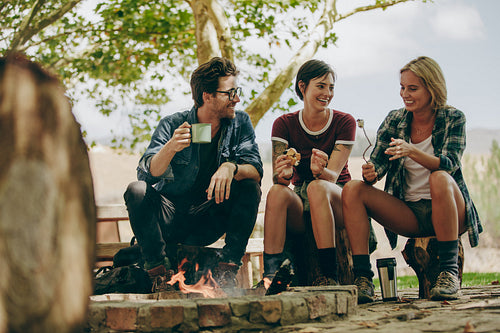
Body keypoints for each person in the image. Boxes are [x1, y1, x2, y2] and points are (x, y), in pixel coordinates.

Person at [342, 56, 482, 303]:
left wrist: (412, 151)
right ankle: (363, 278)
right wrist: (372, 172)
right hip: (410, 214)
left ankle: (448, 273)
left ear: (432, 88)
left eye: (413, 88)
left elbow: (449, 163)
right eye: (402, 87)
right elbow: (380, 161)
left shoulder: (453, 118)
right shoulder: (395, 120)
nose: (405, 94)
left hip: (451, 212)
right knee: (353, 189)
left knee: (438, 178)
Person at [124, 57, 263, 292]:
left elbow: (256, 170)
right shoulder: (173, 124)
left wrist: (231, 167)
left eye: (237, 91)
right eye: (230, 93)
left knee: (249, 186)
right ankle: (158, 275)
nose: (237, 99)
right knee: (135, 190)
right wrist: (170, 148)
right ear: (207, 96)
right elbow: (146, 175)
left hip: (209, 218)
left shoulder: (240, 123)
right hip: (170, 220)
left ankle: (227, 271)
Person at [260, 59, 356, 289]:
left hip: (338, 200)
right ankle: (270, 276)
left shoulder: (345, 122)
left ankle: (329, 274)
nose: (327, 93)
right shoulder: (283, 124)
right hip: (302, 203)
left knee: (317, 186)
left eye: (331, 87)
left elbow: (332, 176)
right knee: (276, 192)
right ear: (303, 87)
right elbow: (278, 178)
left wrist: (320, 172)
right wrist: (282, 174)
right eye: (321, 86)